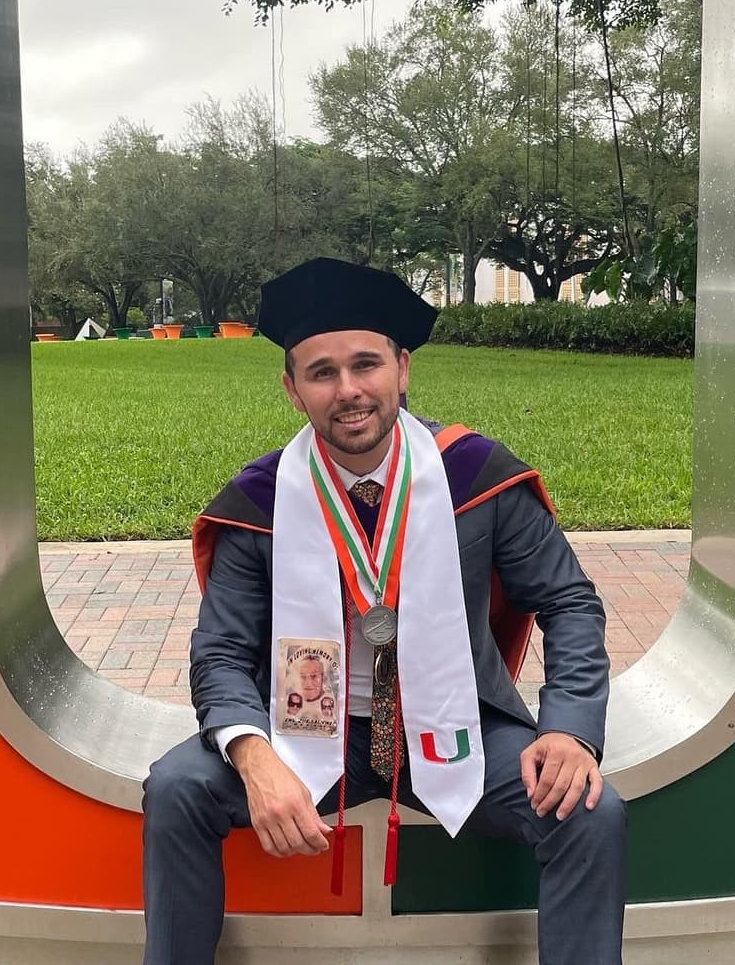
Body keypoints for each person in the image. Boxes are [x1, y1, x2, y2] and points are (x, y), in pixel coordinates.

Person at [142, 257, 624, 964]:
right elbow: (219, 652)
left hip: (455, 724)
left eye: (365, 364)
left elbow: (569, 601)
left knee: (588, 810)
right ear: (292, 389)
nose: (348, 390)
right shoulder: (260, 502)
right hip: (305, 729)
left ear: (402, 369)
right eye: (322, 372)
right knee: (178, 788)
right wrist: (252, 754)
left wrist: (570, 729)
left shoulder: (475, 477)